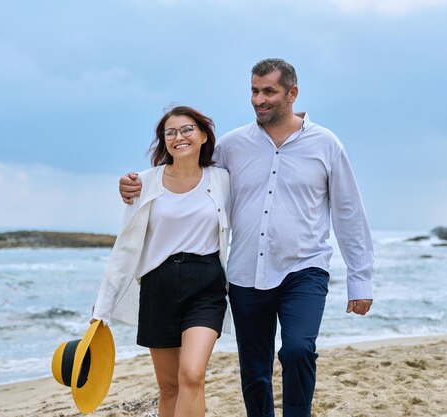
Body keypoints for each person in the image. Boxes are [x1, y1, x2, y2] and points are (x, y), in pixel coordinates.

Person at [119, 59, 374, 417]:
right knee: (254, 369)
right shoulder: (232, 146)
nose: (258, 99)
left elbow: (347, 211)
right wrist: (136, 185)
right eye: (254, 91)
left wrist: (360, 279)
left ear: (292, 93)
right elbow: (189, 177)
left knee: (298, 349)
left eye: (268, 91)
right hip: (245, 273)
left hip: (305, 267)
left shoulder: (326, 144)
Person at [92, 105, 231, 417]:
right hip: (158, 286)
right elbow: (125, 246)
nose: (178, 137)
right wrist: (103, 306)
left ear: (203, 135)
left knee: (192, 375)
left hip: (206, 285)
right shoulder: (144, 182)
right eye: (170, 132)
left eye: (186, 130)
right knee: (169, 387)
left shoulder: (222, 181)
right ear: (163, 141)